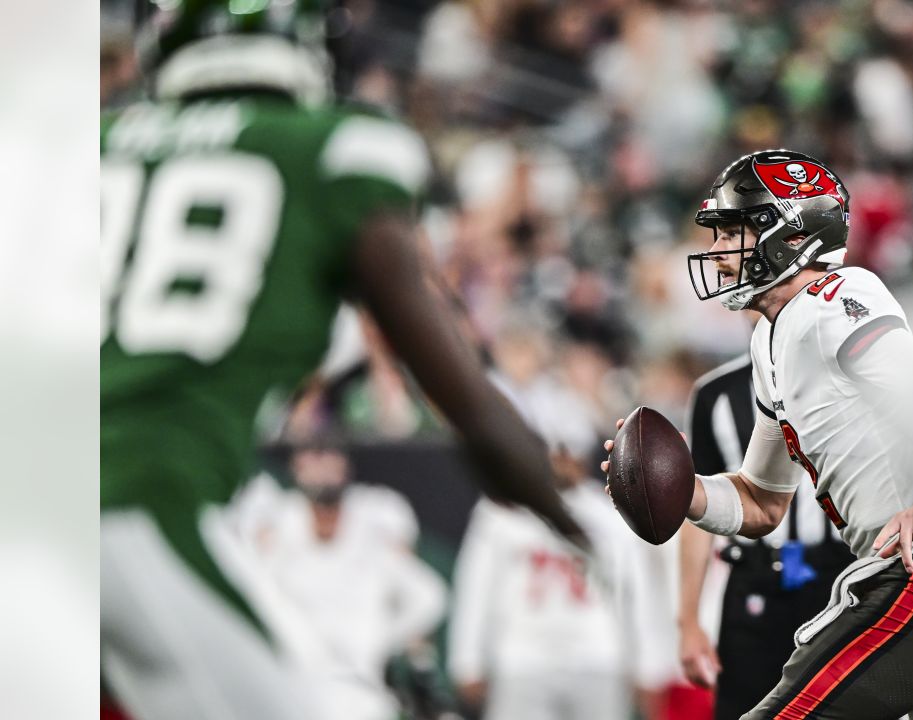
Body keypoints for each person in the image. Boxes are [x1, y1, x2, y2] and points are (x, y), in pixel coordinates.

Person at [100, 3, 585, 718]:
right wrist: (581, 531)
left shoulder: (90, 144)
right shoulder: (335, 151)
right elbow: (476, 412)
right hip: (137, 498)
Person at [606, 150, 913, 719]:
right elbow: (761, 501)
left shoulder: (834, 305)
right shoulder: (771, 338)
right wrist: (679, 490)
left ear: (789, 233)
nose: (716, 252)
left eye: (732, 231)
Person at [677, 353, 852, 720]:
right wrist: (689, 621)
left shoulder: (849, 375)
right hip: (755, 578)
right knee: (747, 709)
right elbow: (695, 507)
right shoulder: (716, 394)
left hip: (839, 578)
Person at [448, 439, 666, 720]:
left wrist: (648, 666)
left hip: (597, 657)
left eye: (568, 452)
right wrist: (467, 661)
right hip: (522, 659)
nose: (562, 462)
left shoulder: (609, 512)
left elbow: (636, 594)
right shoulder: (503, 511)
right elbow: (476, 587)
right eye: (555, 453)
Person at [261, 441, 449, 720]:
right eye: (313, 461)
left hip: (362, 684)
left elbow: (429, 596)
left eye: (329, 459)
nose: (322, 472)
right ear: (295, 469)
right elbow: (263, 592)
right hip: (297, 679)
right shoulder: (278, 520)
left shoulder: (376, 517)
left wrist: (381, 637)